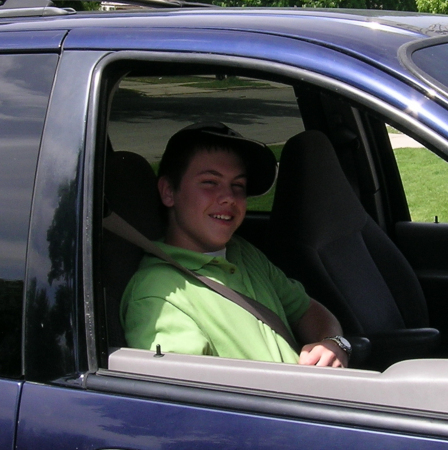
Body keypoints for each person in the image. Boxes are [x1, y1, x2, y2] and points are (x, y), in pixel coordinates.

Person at [120, 122, 351, 367]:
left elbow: (306, 309)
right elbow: (185, 397)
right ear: (168, 192)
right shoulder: (158, 295)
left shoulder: (243, 252)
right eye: (210, 182)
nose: (229, 197)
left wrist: (332, 342)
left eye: (238, 185)